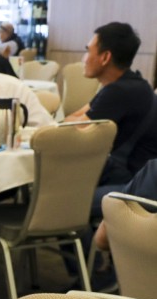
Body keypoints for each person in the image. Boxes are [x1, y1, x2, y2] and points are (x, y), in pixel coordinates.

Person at [65, 22, 157, 193]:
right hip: (134, 179)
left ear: (105, 57)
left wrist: (73, 120)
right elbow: (74, 118)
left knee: (62, 199)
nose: (83, 59)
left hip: (133, 189)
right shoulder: (131, 83)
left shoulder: (120, 91)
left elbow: (69, 130)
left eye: (88, 51)